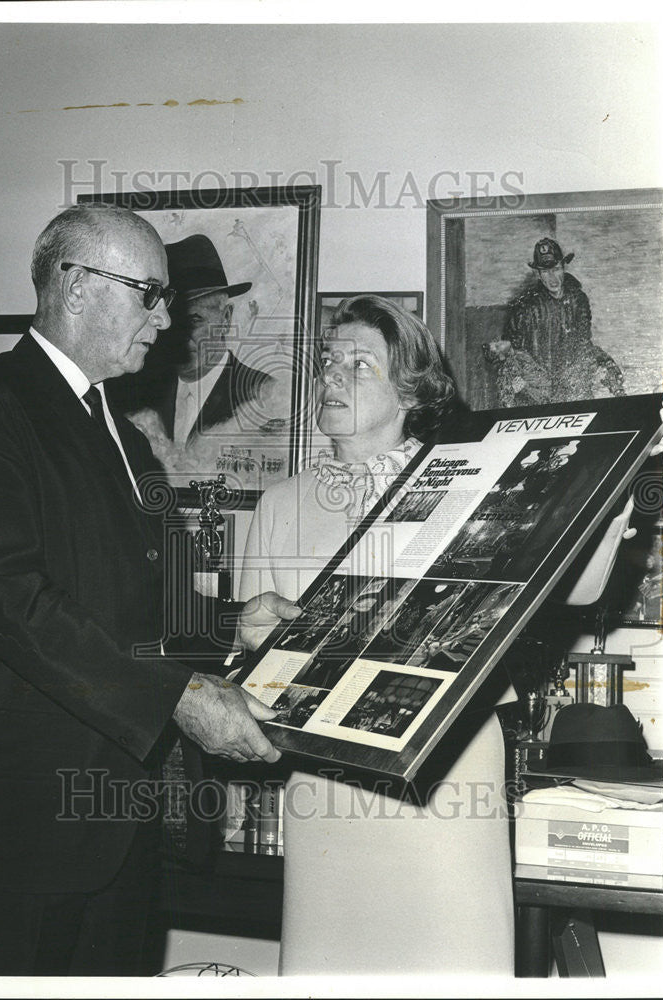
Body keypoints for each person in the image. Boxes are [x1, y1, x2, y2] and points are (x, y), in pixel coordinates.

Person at [0, 204, 297, 977]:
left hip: (121, 816)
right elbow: (10, 601)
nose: (167, 317)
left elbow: (120, 604)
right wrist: (178, 697)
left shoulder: (122, 432)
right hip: (15, 823)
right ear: (77, 286)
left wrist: (230, 625)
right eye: (148, 292)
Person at [237, 295, 518, 974]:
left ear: (411, 391)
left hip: (444, 768)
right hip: (327, 781)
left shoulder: (470, 484)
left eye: (359, 364)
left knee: (451, 960)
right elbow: (250, 668)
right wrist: (247, 641)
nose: (331, 376)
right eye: (327, 362)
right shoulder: (278, 505)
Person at [133, 233, 274, 446]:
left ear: (226, 318)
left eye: (194, 320)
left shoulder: (263, 395)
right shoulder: (142, 396)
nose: (179, 336)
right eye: (171, 322)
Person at [484, 237, 624, 405]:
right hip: (536, 390)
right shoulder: (525, 307)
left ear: (563, 267)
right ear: (539, 274)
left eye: (556, 269)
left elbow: (583, 342)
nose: (552, 277)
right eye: (545, 271)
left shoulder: (578, 299)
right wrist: (515, 383)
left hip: (571, 384)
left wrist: (598, 369)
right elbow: (512, 352)